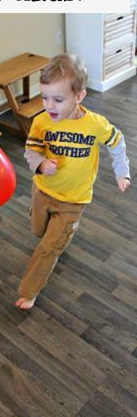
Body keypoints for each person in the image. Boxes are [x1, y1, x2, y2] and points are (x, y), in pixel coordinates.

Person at [15, 54, 130, 310]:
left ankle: (30, 290)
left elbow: (117, 141)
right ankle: (56, 236)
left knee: (48, 247)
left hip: (74, 201)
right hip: (43, 191)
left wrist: (122, 172)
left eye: (58, 99)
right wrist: (40, 164)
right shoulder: (41, 122)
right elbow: (31, 150)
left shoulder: (95, 124)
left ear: (79, 96)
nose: (49, 105)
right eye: (44, 97)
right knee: (37, 230)